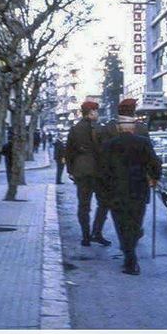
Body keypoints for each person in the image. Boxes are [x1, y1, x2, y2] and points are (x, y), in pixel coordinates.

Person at [100, 114, 161, 275]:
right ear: (133, 128)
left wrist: (104, 191)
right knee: (134, 223)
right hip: (138, 190)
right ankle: (130, 256)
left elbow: (103, 171)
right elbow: (155, 163)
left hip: (116, 191)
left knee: (121, 225)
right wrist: (154, 178)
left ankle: (130, 258)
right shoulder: (143, 143)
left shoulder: (108, 145)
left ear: (119, 128)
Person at [66, 101, 110, 247]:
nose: (97, 114)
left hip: (81, 170)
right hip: (98, 171)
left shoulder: (74, 129)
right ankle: (96, 232)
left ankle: (85, 237)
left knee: (83, 205)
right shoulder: (100, 129)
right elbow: (105, 151)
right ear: (91, 112)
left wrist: (70, 170)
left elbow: (69, 152)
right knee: (103, 202)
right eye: (96, 111)